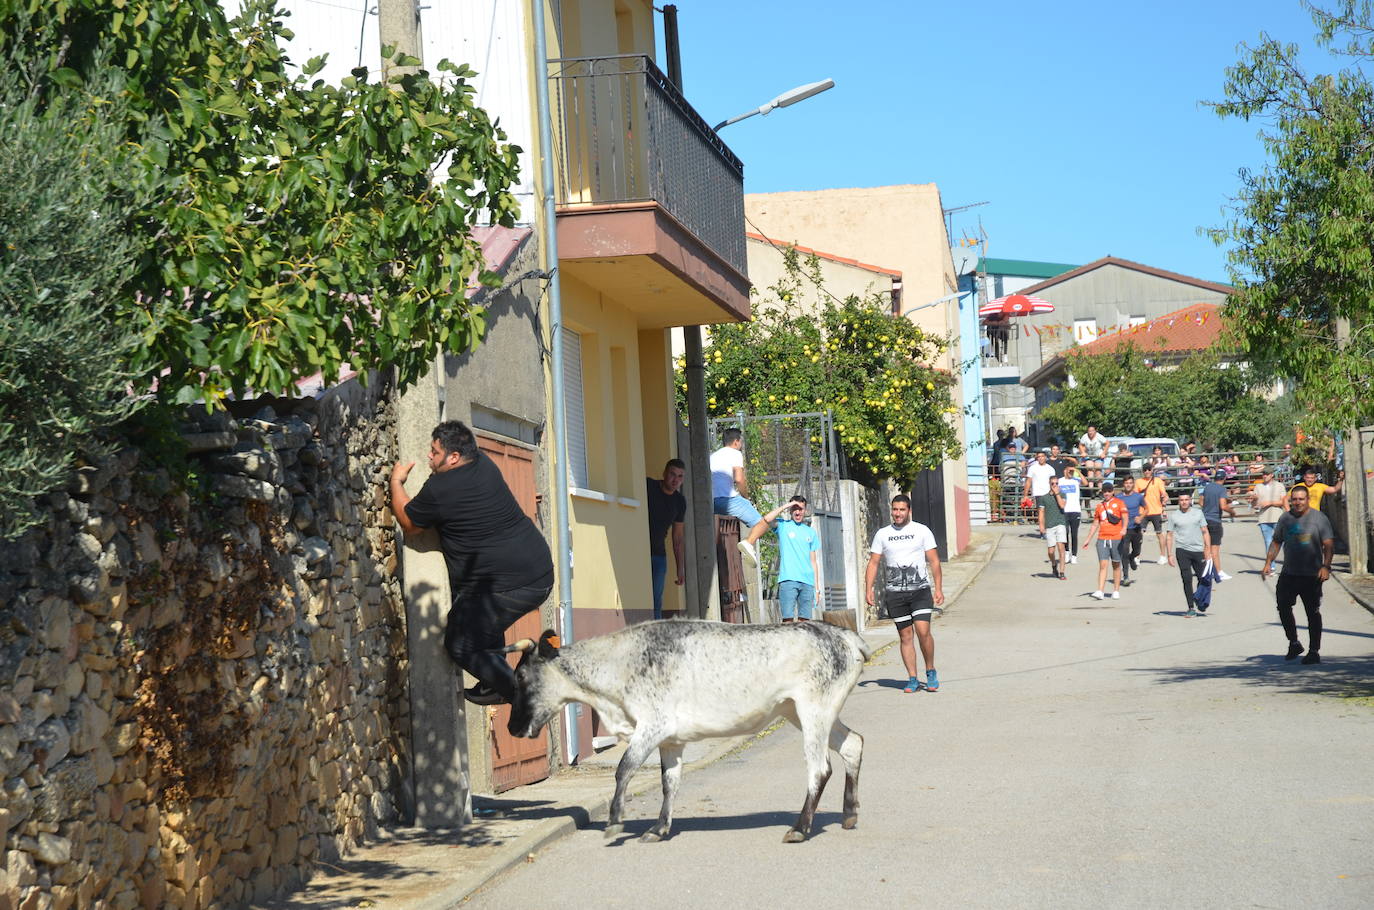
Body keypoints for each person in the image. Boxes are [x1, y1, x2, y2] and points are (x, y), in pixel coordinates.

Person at [391, 420, 554, 705]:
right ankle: (495, 682)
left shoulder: (441, 489)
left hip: (512, 584)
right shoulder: (483, 464)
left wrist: (396, 482)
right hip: (537, 570)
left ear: (453, 457)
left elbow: (409, 523)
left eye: (435, 452)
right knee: (478, 621)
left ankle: (521, 694)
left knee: (461, 641)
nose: (429, 456)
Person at [866, 494, 944, 693]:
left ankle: (931, 670)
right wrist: (868, 589)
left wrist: (939, 588)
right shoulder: (883, 534)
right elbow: (874, 563)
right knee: (905, 636)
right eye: (895, 509)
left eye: (901, 509)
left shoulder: (921, 530)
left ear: (909, 511)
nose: (897, 513)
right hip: (895, 594)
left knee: (923, 631)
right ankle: (912, 678)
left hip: (920, 591)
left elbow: (934, 560)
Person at [1261, 485, 1334, 664]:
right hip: (1289, 573)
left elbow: (1329, 545)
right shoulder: (1285, 518)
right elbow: (1276, 542)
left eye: (1301, 499)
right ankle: (1294, 642)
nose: (1298, 502)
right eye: (1294, 499)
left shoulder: (1319, 518)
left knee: (1312, 612)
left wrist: (1326, 566)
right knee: (1283, 606)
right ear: (1290, 500)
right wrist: (1268, 562)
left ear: (1308, 499)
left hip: (1312, 575)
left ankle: (1314, 651)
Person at [754, 496, 822, 622]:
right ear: (790, 510)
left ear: (805, 510)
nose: (797, 512)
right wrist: (785, 506)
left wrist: (817, 589)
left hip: (807, 582)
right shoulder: (783, 525)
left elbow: (813, 561)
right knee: (787, 621)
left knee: (805, 623)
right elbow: (767, 519)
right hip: (788, 580)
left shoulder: (810, 532)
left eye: (800, 509)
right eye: (794, 508)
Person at [711, 428, 765, 565]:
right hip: (727, 499)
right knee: (762, 523)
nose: (741, 444)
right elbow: (739, 479)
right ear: (736, 442)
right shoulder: (735, 454)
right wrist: (746, 498)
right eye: (740, 441)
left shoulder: (713, 456)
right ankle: (748, 543)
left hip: (710, 501)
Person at [645, 459, 687, 620]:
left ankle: (656, 638)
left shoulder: (679, 502)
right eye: (672, 474)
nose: (675, 480)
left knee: (656, 601)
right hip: (639, 552)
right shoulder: (648, 486)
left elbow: (677, 538)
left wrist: (680, 569)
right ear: (664, 473)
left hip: (659, 556)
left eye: (680, 476)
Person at [1166, 492, 1213, 617]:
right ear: (1179, 501)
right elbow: (1169, 535)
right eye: (1181, 500)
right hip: (1182, 550)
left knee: (1202, 578)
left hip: (1198, 550)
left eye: (1186, 499)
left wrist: (1208, 548)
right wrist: (1169, 554)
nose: (1184, 502)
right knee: (1186, 579)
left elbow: (1205, 531)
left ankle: (1199, 598)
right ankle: (1191, 607)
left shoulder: (1198, 513)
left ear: (1190, 500)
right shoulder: (1174, 516)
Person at [1081, 481, 1127, 600]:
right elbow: (1095, 523)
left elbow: (1125, 517)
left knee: (1116, 564)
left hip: (1116, 537)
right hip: (1102, 538)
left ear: (1112, 492)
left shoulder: (1119, 503)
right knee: (1103, 564)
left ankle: (1116, 590)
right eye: (1104, 491)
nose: (1106, 493)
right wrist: (1088, 539)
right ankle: (1100, 590)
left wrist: (1124, 528)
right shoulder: (1100, 506)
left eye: (1108, 491)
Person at [1197, 471, 1236, 581]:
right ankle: (1218, 572)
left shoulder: (1208, 487)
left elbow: (1200, 502)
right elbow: (1223, 506)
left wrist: (1208, 506)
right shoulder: (1222, 489)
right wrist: (1232, 512)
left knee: (1207, 546)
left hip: (1204, 519)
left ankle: (1207, 570)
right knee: (1215, 548)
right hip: (1215, 520)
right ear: (1224, 479)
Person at [1249, 467, 1288, 554]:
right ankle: (1270, 565)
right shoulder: (1258, 487)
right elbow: (1254, 505)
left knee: (1282, 541)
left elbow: (1283, 501)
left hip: (1277, 517)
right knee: (1268, 542)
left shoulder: (1279, 486)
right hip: (1263, 518)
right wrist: (1253, 500)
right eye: (1263, 474)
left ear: (1272, 475)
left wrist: (1270, 503)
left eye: (1267, 474)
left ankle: (1288, 563)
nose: (1264, 476)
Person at [1038, 475, 1069, 580]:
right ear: (1049, 484)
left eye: (1056, 483)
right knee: (1051, 551)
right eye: (1053, 484)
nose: (1055, 485)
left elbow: (1062, 505)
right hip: (1050, 525)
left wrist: (1057, 494)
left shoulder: (1063, 494)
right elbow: (1041, 512)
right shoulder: (1044, 498)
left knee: (1061, 548)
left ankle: (1062, 572)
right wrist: (1041, 525)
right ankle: (1053, 565)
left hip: (1060, 523)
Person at [1138, 466, 1170, 564]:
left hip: (1156, 511)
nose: (1147, 471)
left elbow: (1164, 494)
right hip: (1143, 511)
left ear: (1152, 471)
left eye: (1149, 469)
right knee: (1139, 535)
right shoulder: (1138, 482)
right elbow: (1135, 495)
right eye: (1145, 470)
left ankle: (1163, 556)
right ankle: (1136, 556)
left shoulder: (1158, 481)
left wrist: (1164, 501)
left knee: (1159, 533)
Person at [1117, 475, 1145, 578]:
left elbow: (1146, 509)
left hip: (1136, 527)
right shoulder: (1118, 497)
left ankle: (1131, 558)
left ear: (1133, 484)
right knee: (1124, 551)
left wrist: (1141, 517)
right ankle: (1125, 576)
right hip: (1124, 528)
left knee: (1137, 550)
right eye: (1126, 483)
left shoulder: (1138, 496)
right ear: (1123, 485)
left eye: (1130, 483)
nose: (1128, 485)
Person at [1025, 450, 1057, 535]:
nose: (1041, 458)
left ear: (1045, 457)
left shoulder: (1050, 469)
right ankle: (1042, 530)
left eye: (1042, 456)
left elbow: (1053, 482)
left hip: (1048, 492)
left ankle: (1049, 528)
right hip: (1038, 493)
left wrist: (1054, 492)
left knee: (1049, 512)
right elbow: (1028, 481)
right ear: (1037, 458)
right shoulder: (1033, 468)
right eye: (1039, 457)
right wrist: (1025, 495)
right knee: (1040, 511)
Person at [1059, 465, 1085, 563]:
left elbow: (1085, 483)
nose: (1070, 472)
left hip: (1075, 510)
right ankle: (1066, 552)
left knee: (1074, 534)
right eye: (1068, 470)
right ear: (1065, 471)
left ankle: (1074, 555)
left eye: (1071, 471)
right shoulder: (1060, 481)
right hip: (1064, 510)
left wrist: (1077, 471)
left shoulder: (1076, 480)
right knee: (1065, 533)